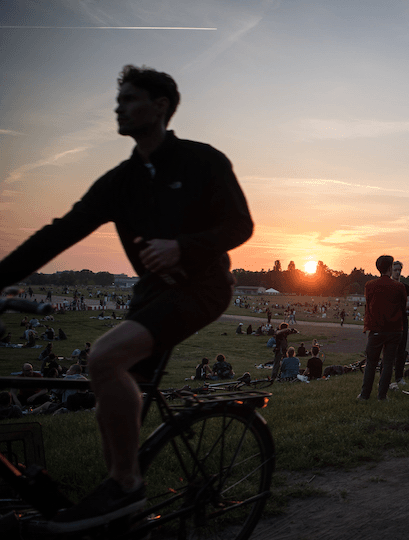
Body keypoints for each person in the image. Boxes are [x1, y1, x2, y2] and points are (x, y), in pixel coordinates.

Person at [0, 65, 253, 532]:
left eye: (129, 99)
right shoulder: (121, 179)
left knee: (103, 358)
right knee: (112, 394)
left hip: (203, 288)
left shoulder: (202, 160)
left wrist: (184, 246)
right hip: (152, 293)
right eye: (118, 100)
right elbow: (62, 231)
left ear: (160, 107)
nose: (118, 107)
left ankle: (125, 485)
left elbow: (241, 226)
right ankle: (117, 504)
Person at [358, 255, 407, 401]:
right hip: (394, 329)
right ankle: (382, 395)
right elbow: (403, 306)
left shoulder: (370, 285)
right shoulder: (399, 287)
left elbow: (369, 305)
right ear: (390, 268)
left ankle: (365, 395)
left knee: (371, 363)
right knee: (388, 363)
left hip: (376, 329)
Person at [390, 260, 409, 390]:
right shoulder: (388, 286)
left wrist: (397, 308)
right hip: (390, 322)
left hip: (402, 321)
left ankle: (399, 377)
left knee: (401, 351)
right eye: (395, 269)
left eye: (399, 269)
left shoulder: (405, 287)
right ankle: (388, 378)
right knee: (389, 351)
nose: (397, 272)